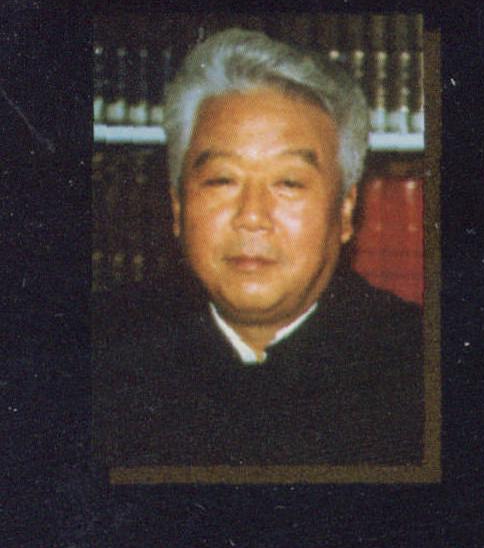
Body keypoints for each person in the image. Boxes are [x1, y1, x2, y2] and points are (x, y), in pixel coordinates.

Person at [92, 28, 423, 468]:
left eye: (289, 183)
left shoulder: (420, 366)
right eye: (221, 180)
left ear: (345, 211)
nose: (251, 216)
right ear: (177, 208)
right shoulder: (94, 352)